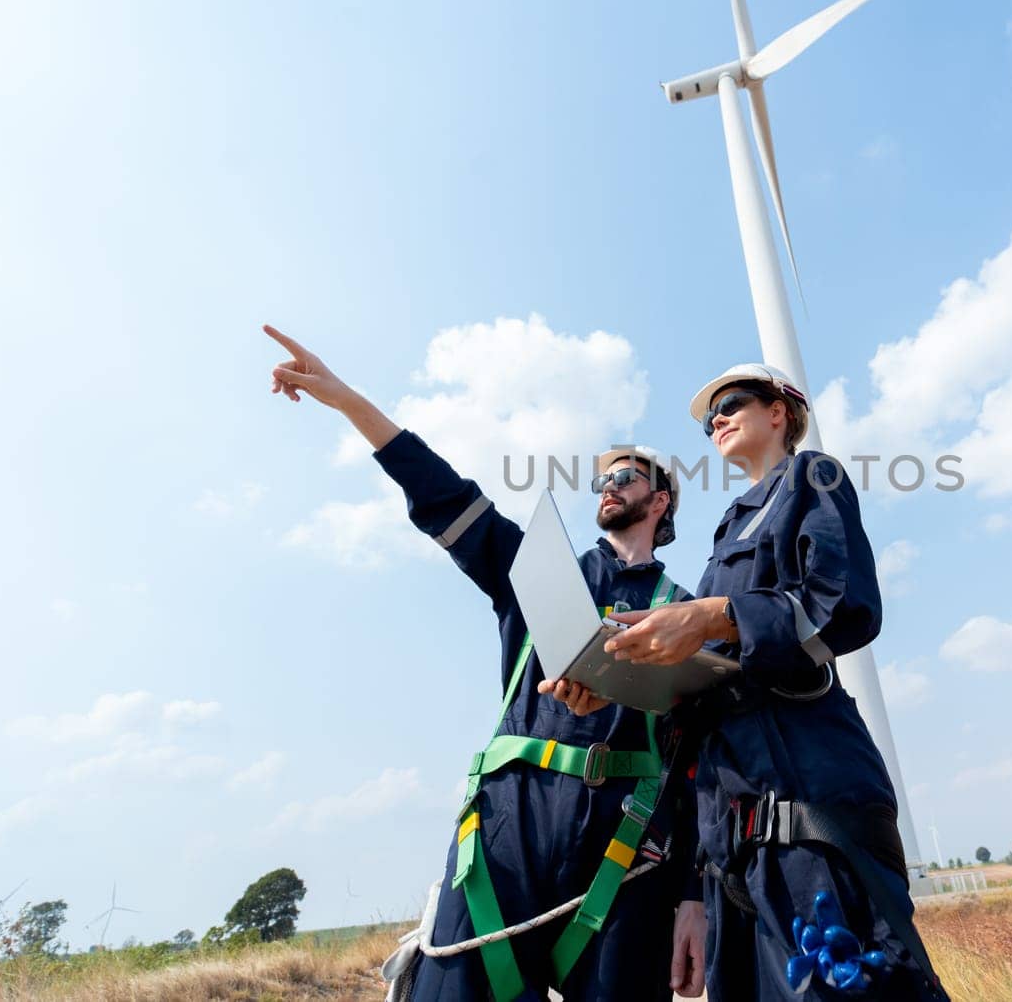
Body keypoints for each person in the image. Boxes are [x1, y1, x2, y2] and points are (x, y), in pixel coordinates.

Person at [262, 325, 706, 1001]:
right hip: (505, 834)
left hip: (627, 849)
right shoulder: (534, 568)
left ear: (661, 499)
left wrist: (692, 895)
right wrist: (347, 399)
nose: (608, 486)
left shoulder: (689, 612)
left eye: (625, 476)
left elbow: (700, 764)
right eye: (602, 479)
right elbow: (443, 494)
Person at [572, 363, 947, 1000]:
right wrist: (617, 677)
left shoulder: (813, 477)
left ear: (780, 411)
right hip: (731, 846)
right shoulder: (726, 534)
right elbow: (707, 685)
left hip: (808, 806)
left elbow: (844, 604)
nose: (715, 418)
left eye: (733, 402)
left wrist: (713, 615)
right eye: (709, 414)